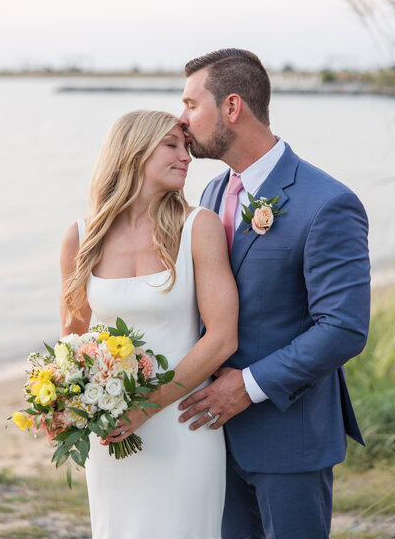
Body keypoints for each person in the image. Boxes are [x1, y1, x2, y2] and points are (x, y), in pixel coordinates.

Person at [177, 48, 371, 539]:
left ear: (232, 107)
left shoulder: (327, 203)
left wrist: (247, 386)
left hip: (290, 438)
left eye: (190, 104)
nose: (182, 121)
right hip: (213, 437)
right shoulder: (212, 194)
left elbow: (343, 328)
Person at [59, 109, 239, 539]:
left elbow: (222, 337)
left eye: (188, 147)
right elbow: (72, 339)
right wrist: (69, 406)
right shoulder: (81, 238)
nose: (187, 157)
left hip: (184, 424)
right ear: (134, 151)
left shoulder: (200, 227)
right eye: (172, 145)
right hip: (112, 430)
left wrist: (148, 406)